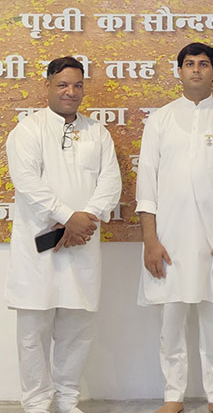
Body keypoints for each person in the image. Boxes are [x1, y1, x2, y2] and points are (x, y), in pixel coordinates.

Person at [135, 42, 213, 413]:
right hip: (168, 237)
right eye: (190, 64)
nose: (197, 70)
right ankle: (174, 396)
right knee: (171, 320)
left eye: (204, 64)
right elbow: (147, 186)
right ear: (179, 71)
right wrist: (150, 241)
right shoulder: (160, 120)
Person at [5, 56, 122, 413]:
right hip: (38, 246)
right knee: (32, 333)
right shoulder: (27, 130)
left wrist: (85, 219)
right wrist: (68, 217)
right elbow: (27, 183)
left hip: (81, 243)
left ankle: (68, 399)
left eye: (77, 85)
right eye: (63, 85)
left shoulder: (97, 131)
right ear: (48, 86)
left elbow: (110, 181)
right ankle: (37, 404)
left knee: (77, 328)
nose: (71, 92)